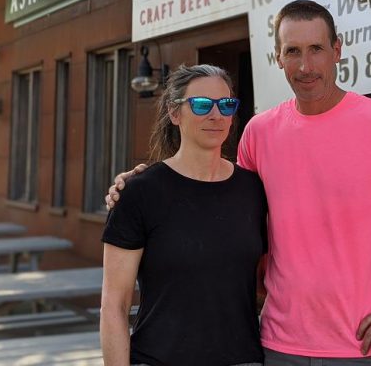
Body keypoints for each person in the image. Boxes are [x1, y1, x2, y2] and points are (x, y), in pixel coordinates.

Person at [106, 0, 371, 365]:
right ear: (278, 57)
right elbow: (220, 200)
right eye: (293, 51)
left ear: (337, 50)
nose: (305, 65)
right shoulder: (260, 132)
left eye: (316, 49)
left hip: (363, 349)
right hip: (277, 347)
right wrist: (142, 182)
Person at [100, 64, 268, 366]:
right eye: (202, 105)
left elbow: (266, 283)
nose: (216, 115)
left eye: (226, 105)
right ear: (175, 113)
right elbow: (114, 305)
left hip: (242, 359)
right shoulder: (139, 193)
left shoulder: (253, 189)